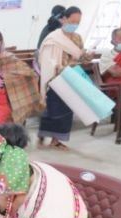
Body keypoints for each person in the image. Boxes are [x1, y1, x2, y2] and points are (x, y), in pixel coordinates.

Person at [37, 6, 90, 150]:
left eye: (78, 22)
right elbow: (45, 59)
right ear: (64, 19)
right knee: (52, 109)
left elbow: (80, 57)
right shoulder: (54, 37)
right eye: (72, 21)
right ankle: (42, 135)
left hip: (72, 79)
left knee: (66, 110)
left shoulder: (77, 38)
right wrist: (58, 67)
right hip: (55, 78)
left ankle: (56, 139)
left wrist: (86, 56)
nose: (75, 25)